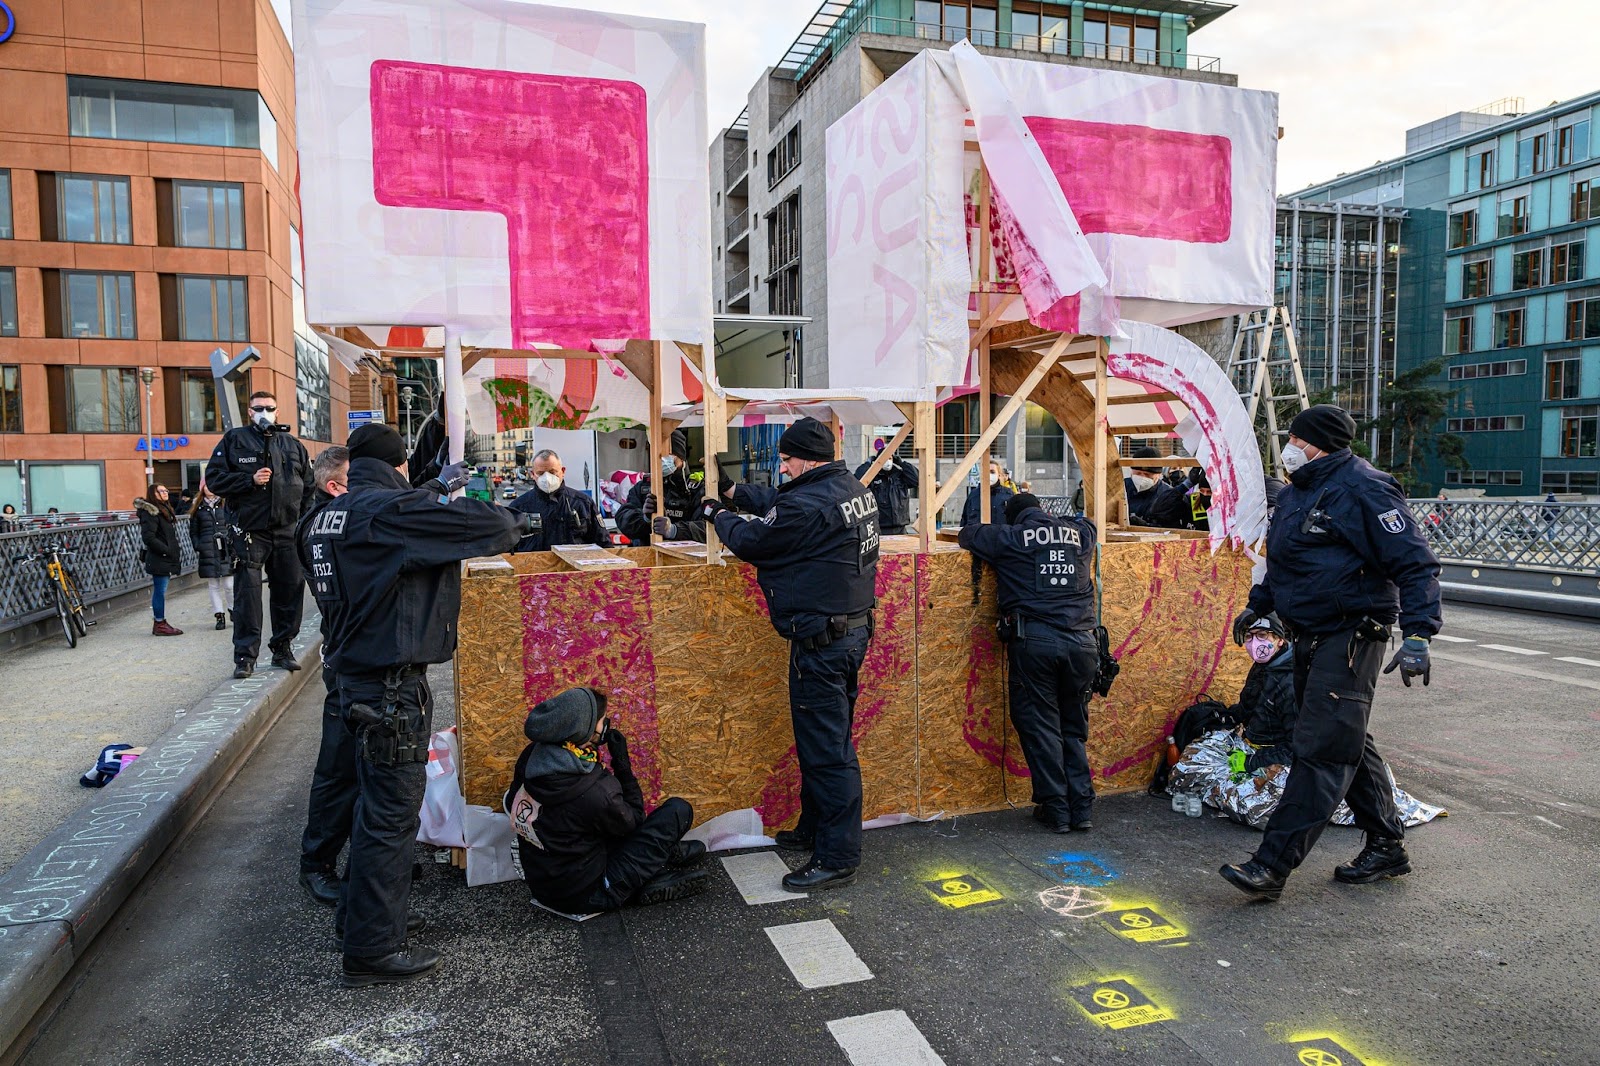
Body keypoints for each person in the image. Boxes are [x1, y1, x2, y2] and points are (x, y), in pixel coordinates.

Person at [305, 424, 530, 986]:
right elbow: (498, 525)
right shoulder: (389, 510)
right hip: (389, 686)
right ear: (400, 463)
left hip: (352, 677)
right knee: (389, 816)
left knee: (368, 804)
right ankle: (372, 948)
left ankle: (359, 922)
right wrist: (447, 496)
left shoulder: (325, 516)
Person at [1221, 404, 1441, 902]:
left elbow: (1416, 563)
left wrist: (1419, 634)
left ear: (1316, 442)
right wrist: (1259, 607)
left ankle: (1271, 866)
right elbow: (1285, 561)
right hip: (1310, 635)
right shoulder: (1300, 493)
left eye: (1295, 439)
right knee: (1345, 738)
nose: (1289, 448)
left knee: (1321, 749)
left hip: (1351, 636)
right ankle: (1386, 843)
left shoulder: (1365, 487)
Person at [708, 416, 879, 890]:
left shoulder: (808, 504)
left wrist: (716, 515)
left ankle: (838, 856)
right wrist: (736, 494)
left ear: (806, 460)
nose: (782, 469)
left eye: (785, 461)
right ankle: (813, 828)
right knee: (821, 740)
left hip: (822, 643)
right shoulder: (848, 487)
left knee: (828, 751)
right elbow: (787, 505)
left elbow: (753, 539)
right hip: (847, 633)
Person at [958, 492, 1099, 832]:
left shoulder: (1010, 537)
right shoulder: (1079, 535)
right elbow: (1091, 525)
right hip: (1083, 644)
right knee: (1072, 728)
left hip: (1037, 643)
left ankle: (1056, 809)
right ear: (1043, 510)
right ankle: (1081, 808)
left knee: (1041, 726)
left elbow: (968, 533)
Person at [506, 687, 708, 913]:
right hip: (590, 893)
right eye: (601, 722)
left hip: (544, 885)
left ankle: (660, 856)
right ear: (583, 732)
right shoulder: (595, 790)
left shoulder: (531, 758)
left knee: (600, 824)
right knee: (678, 811)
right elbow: (634, 820)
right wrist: (622, 763)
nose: (605, 726)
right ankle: (648, 874)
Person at [204, 389, 313, 679]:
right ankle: (245, 657)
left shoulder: (292, 444)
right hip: (250, 532)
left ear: (278, 412)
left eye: (269, 407)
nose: (264, 412)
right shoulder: (234, 440)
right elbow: (214, 480)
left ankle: (282, 648)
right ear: (250, 412)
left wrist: (301, 520)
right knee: (248, 597)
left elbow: (309, 486)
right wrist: (248, 480)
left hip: (287, 531)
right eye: (259, 407)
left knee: (289, 591)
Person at [296, 446, 353, 907]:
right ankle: (317, 863)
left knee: (361, 767)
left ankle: (364, 861)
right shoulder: (324, 525)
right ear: (335, 486)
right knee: (337, 767)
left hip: (349, 654)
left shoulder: (329, 518)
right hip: (344, 659)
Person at [616, 429, 707, 544]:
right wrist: (645, 518)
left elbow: (710, 528)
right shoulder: (643, 488)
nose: (662, 460)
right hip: (648, 557)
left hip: (685, 559)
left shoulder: (697, 489)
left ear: (681, 456)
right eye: (657, 454)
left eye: (668, 454)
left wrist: (674, 530)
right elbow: (623, 520)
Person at [508, 449, 609, 552]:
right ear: (533, 474)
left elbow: (603, 543)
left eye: (552, 472)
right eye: (541, 473)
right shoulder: (518, 507)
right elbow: (507, 548)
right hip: (534, 567)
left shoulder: (582, 503)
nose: (547, 478)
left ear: (563, 471)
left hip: (573, 566)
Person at [1232, 614, 1296, 771]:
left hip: (1275, 764)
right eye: (1248, 636)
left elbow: (1297, 746)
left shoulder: (1290, 683)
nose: (1254, 643)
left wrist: (1250, 762)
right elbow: (1249, 709)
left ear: (1280, 639)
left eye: (1262, 635)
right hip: (1252, 745)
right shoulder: (1262, 667)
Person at [136, 484, 184, 637]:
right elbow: (149, 537)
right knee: (160, 591)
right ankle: (159, 623)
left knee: (161, 590)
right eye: (161, 491)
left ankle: (160, 622)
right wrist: (167, 550)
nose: (165, 493)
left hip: (165, 557)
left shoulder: (164, 510)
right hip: (159, 557)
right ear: (153, 494)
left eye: (166, 490)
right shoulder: (151, 513)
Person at [189, 482, 234, 631]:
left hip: (224, 549)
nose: (209, 489)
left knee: (229, 585)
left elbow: (232, 523)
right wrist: (199, 545)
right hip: (208, 549)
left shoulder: (225, 504)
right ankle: (219, 615)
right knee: (213, 585)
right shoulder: (198, 509)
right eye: (206, 486)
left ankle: (233, 610)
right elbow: (193, 531)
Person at [853, 439, 919, 536]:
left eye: (890, 458)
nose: (888, 461)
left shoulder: (899, 475)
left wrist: (901, 463)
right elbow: (858, 481)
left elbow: (916, 479)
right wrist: (868, 464)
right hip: (880, 529)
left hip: (901, 528)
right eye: (884, 458)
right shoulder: (873, 476)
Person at [1123, 447, 1189, 529]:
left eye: (1147, 474)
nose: (1142, 477)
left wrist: (1147, 526)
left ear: (1158, 474)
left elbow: (1172, 528)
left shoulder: (1167, 495)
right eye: (1138, 473)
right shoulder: (1122, 488)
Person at [962, 460, 1014, 528]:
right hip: (977, 536)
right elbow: (965, 519)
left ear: (998, 475)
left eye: (992, 472)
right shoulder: (974, 495)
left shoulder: (1008, 495)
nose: (989, 475)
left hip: (999, 536)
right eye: (986, 472)